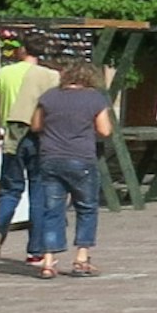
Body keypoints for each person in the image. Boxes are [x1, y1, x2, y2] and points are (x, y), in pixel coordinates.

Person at [25, 59, 116, 278]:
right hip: (81, 158)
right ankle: (81, 258)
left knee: (52, 211)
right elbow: (104, 130)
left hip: (50, 158)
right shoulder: (95, 98)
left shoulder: (49, 96)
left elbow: (36, 125)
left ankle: (48, 261)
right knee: (86, 208)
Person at [0, 33, 50, 270]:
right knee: (39, 192)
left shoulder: (5, 73)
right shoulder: (50, 76)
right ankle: (35, 251)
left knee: (10, 189)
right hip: (40, 136)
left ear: (22, 49)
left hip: (12, 135)